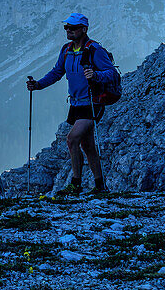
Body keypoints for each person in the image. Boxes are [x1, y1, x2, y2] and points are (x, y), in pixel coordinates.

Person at [27, 13, 115, 195]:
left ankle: (76, 185)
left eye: (73, 28)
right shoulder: (66, 50)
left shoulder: (95, 50)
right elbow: (57, 72)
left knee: (72, 139)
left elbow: (112, 73)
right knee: (87, 145)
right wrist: (38, 85)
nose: (68, 30)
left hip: (93, 102)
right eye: (66, 27)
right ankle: (100, 186)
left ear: (84, 29)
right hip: (76, 103)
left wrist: (96, 75)